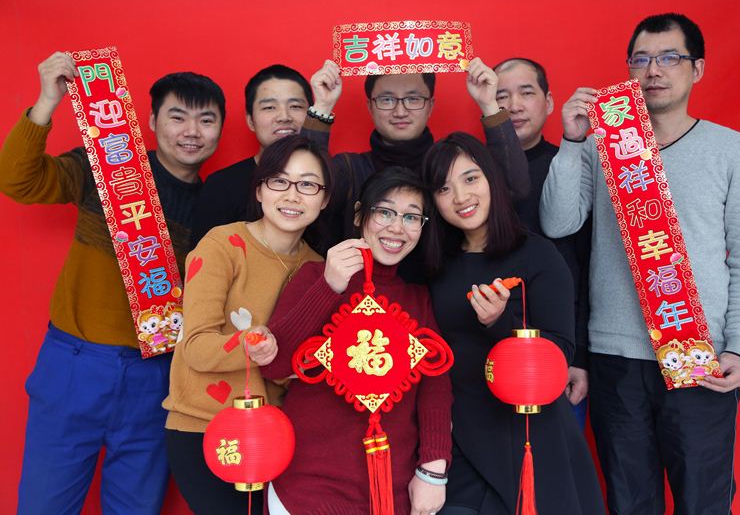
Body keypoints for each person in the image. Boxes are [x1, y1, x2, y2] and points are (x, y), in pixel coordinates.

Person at [540, 13, 740, 514]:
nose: (654, 71)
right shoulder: (604, 146)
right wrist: (573, 143)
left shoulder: (733, 150)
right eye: (641, 60)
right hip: (615, 356)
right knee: (629, 502)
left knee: (704, 502)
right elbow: (558, 223)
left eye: (670, 58)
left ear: (697, 68)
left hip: (699, 354)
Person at [0, 52, 225, 515]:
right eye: (177, 116)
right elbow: (17, 181)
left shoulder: (216, 210)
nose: (191, 131)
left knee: (136, 507)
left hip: (158, 374)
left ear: (220, 129)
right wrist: (46, 102)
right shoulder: (108, 167)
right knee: (43, 505)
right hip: (75, 363)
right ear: (152, 121)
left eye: (206, 120)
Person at [421, 132, 604, 515]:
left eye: (470, 178)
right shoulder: (435, 262)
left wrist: (501, 324)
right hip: (458, 433)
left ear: (491, 178)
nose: (460, 197)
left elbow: (559, 355)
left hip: (527, 434)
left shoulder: (537, 255)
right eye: (444, 188)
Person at [258, 167, 453, 515]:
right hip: (305, 488)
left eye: (412, 217)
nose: (397, 227)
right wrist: (329, 286)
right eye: (385, 212)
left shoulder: (418, 299)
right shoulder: (316, 276)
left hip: (389, 492)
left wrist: (433, 470)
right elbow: (274, 364)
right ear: (360, 215)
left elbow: (434, 388)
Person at [162, 135, 332, 514]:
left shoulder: (319, 270)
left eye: (308, 185)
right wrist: (251, 346)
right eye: (280, 181)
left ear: (324, 199)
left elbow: (297, 368)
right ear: (259, 190)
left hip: (277, 437)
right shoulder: (222, 245)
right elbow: (195, 347)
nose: (292, 195)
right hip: (205, 428)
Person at [302, 58, 529, 251]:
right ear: (370, 106)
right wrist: (322, 106)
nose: (400, 111)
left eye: (413, 99)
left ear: (430, 105)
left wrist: (489, 105)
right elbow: (304, 194)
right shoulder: (349, 169)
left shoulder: (450, 166)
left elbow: (514, 190)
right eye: (387, 99)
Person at [495, 57, 592, 426]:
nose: (514, 105)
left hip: (559, 346)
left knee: (556, 455)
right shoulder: (472, 174)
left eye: (526, 93)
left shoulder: (571, 166)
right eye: (501, 96)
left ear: (549, 103)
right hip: (489, 342)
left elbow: (588, 264)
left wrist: (579, 356)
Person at [190, 64, 314, 247]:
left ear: (311, 115)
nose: (284, 116)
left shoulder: (326, 181)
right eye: (269, 107)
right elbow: (201, 258)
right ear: (250, 121)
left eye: (295, 106)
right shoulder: (221, 186)